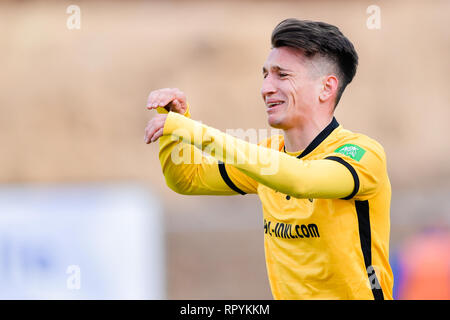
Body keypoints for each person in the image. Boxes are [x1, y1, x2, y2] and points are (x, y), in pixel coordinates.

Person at [144, 18, 393, 300]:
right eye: (265, 75)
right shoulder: (268, 158)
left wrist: (195, 132)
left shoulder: (363, 153)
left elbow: (302, 179)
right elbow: (186, 180)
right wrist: (175, 124)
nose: (266, 88)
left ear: (326, 88)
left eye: (282, 75)